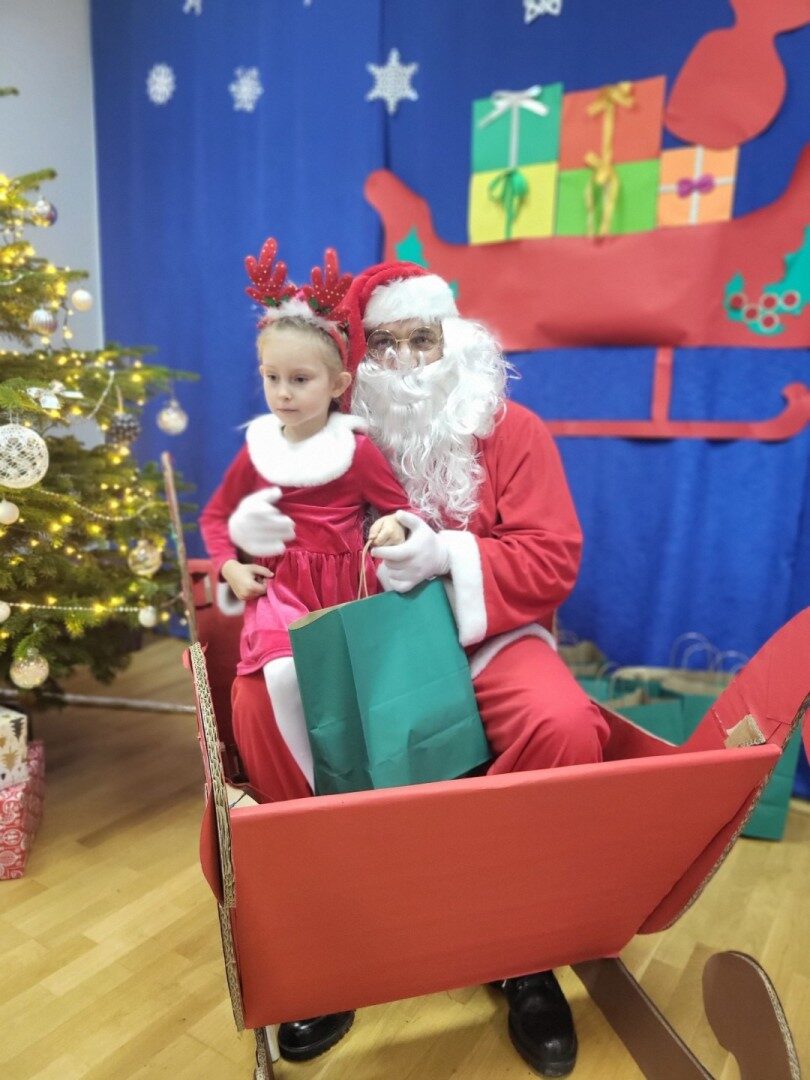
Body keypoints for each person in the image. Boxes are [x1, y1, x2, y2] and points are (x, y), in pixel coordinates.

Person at [226, 259, 610, 1076]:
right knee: (261, 703)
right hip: (364, 638)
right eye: (385, 344)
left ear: (454, 340)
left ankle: (523, 949)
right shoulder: (319, 435)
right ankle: (335, 939)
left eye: (422, 339)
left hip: (482, 638)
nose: (404, 361)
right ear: (356, 362)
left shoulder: (513, 431)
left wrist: (448, 557)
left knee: (564, 724)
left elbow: (552, 557)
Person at [200, 240, 410, 792]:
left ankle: (354, 784)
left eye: (300, 379)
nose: (283, 393)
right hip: (280, 589)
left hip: (344, 590)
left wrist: (395, 525)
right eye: (272, 378)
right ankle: (311, 791)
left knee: (347, 689)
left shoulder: (355, 451)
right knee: (283, 672)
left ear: (338, 385)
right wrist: (228, 567)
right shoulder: (260, 450)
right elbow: (216, 518)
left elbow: (400, 508)